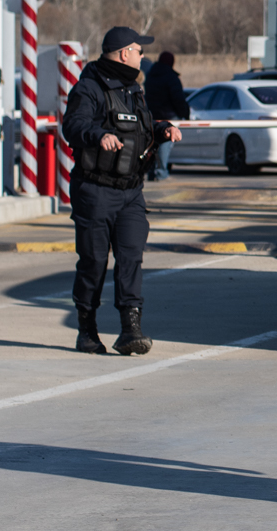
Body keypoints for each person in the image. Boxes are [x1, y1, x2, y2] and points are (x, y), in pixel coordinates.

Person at [63, 26, 183, 358]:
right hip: (96, 190)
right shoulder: (89, 87)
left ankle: (131, 330)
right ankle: (87, 330)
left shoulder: (134, 90)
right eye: (139, 51)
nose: (144, 57)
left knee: (131, 259)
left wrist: (161, 130)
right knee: (93, 263)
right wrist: (96, 134)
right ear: (123, 53)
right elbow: (72, 125)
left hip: (131, 192)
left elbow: (139, 129)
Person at [143, 51, 190, 181]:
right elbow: (178, 98)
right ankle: (161, 172)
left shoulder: (150, 75)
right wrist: (184, 113)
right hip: (168, 115)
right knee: (165, 142)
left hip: (152, 114)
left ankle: (153, 170)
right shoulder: (171, 78)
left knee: (153, 142)